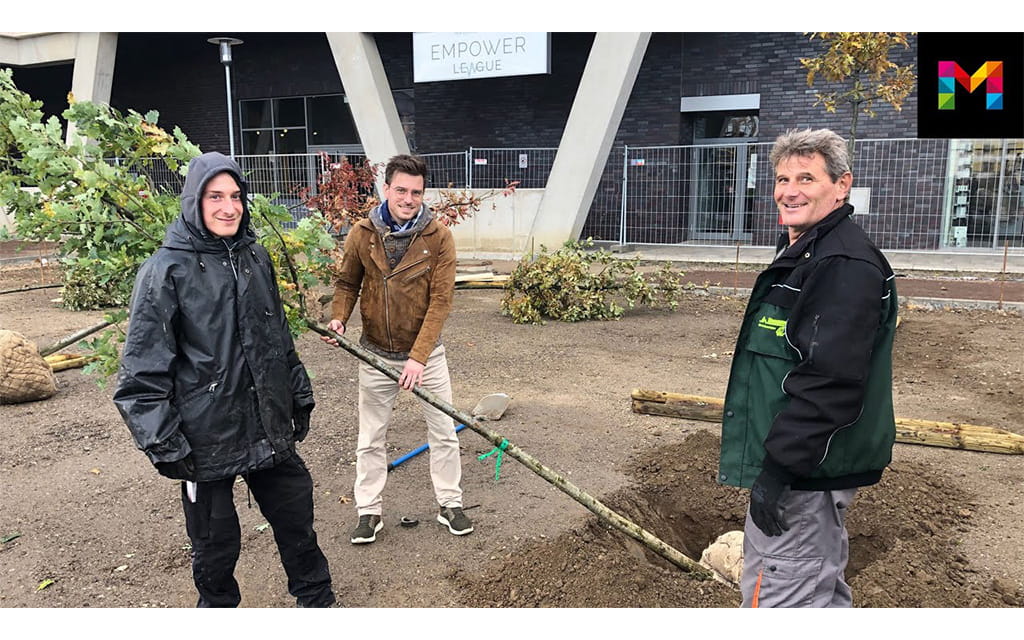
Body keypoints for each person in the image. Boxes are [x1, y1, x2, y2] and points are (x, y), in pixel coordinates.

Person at [113, 152, 335, 608]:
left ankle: (319, 605)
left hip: (266, 425)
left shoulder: (255, 257)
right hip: (204, 437)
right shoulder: (164, 271)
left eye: (235, 196)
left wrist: (297, 393)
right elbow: (140, 374)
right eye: (216, 196)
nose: (228, 207)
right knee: (215, 547)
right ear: (195, 200)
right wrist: (165, 444)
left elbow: (277, 339)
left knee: (297, 523)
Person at [717, 129, 898, 608]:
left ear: (842, 185)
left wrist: (778, 472)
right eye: (781, 178)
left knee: (780, 600)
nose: (789, 190)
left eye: (806, 178)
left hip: (804, 477)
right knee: (817, 593)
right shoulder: (808, 254)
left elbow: (829, 382)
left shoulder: (841, 265)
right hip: (805, 469)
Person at [321, 153, 472, 544]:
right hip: (375, 353)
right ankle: (369, 511)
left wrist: (419, 358)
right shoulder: (362, 232)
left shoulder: (438, 237)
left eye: (416, 192)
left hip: (427, 356)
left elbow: (441, 301)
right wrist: (339, 318)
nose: (408, 198)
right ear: (385, 189)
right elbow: (346, 283)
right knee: (371, 437)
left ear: (424, 194)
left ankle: (450, 503)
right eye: (401, 190)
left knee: (443, 432)